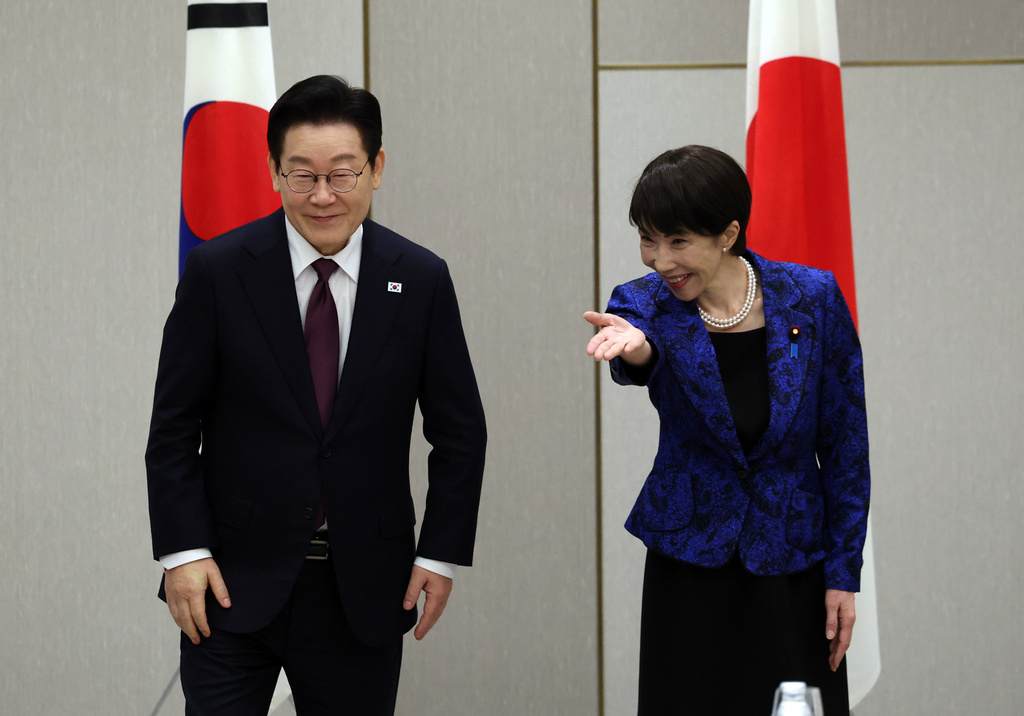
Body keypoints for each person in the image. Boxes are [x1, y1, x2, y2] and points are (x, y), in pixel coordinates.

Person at [146, 75, 487, 715]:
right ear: (274, 172)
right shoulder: (219, 272)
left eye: (343, 174)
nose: (322, 196)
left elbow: (460, 431)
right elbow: (172, 424)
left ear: (377, 168)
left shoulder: (420, 279)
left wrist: (440, 554)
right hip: (229, 582)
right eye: (301, 175)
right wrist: (183, 552)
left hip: (362, 585)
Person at [585, 145, 869, 715]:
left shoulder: (811, 298)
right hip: (689, 563)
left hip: (793, 563)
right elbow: (632, 355)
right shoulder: (642, 304)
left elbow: (846, 446)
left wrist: (844, 572)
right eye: (648, 238)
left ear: (728, 233)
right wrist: (639, 355)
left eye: (677, 241)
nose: (660, 260)